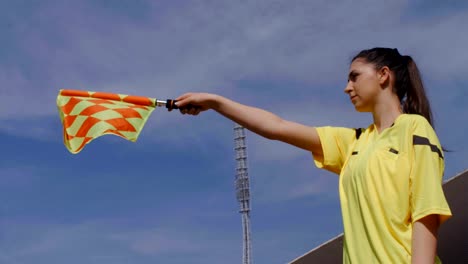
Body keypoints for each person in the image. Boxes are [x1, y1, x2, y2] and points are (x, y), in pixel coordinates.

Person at [173, 47, 452, 263]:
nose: (347, 87)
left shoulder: (415, 129)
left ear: (383, 75)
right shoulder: (354, 141)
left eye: (354, 76)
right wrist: (215, 102)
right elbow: (276, 127)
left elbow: (426, 213)